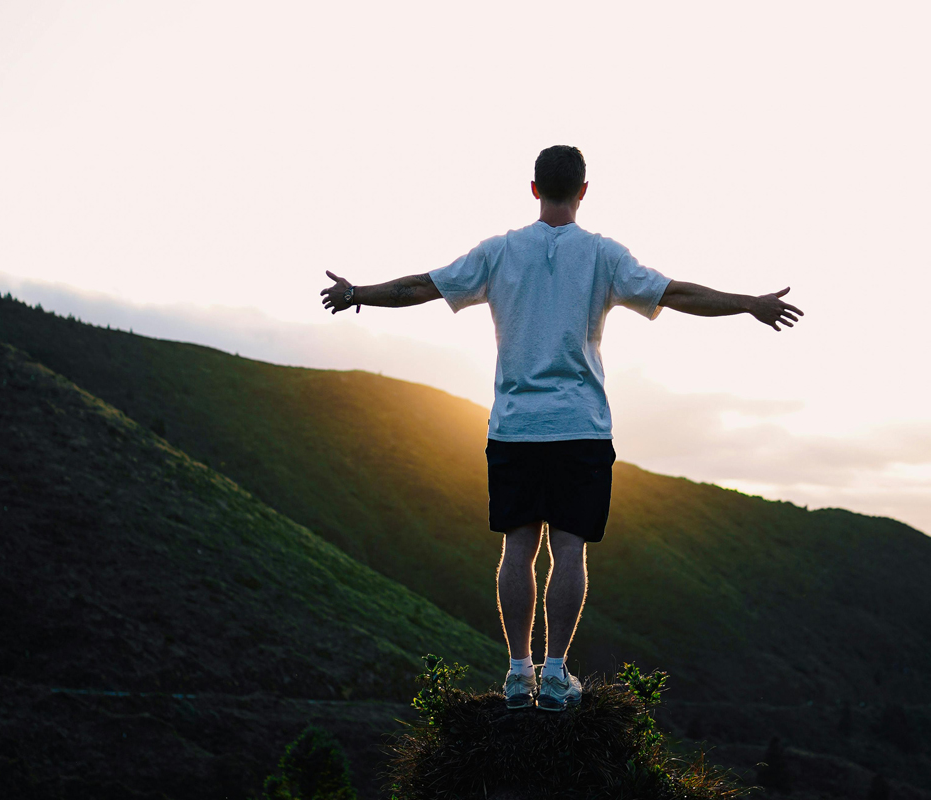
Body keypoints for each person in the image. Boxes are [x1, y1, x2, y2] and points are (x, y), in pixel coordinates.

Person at [320, 145, 803, 712]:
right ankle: (555, 677)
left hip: (516, 427)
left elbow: (421, 286)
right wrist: (749, 303)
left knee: (517, 549)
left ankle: (517, 675)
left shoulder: (499, 253)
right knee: (569, 550)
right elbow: (678, 295)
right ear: (583, 190)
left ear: (532, 188)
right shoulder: (603, 255)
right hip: (581, 428)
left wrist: (357, 294)